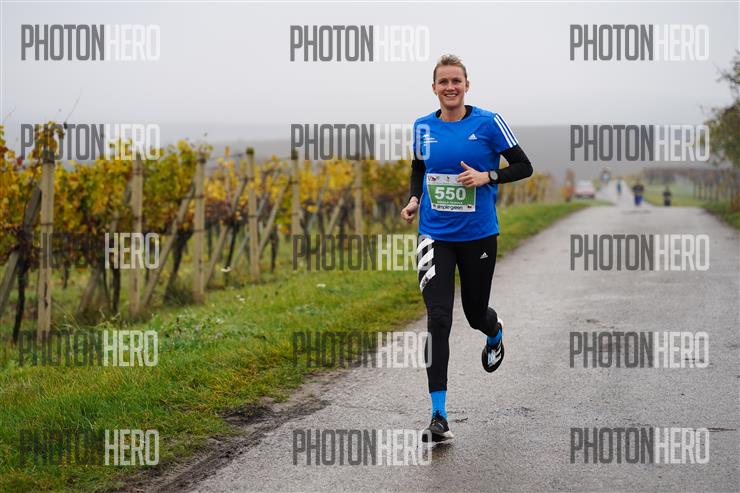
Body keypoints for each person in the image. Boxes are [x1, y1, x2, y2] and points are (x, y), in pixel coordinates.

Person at [400, 54, 533, 442]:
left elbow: (524, 166)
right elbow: (419, 169)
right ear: (434, 88)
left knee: (475, 313)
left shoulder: (489, 123)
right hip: (434, 235)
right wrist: (414, 199)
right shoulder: (422, 127)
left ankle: (494, 331)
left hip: (478, 236)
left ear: (466, 85)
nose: (450, 87)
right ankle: (438, 416)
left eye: (456, 81)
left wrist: (487, 175)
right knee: (438, 318)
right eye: (443, 82)